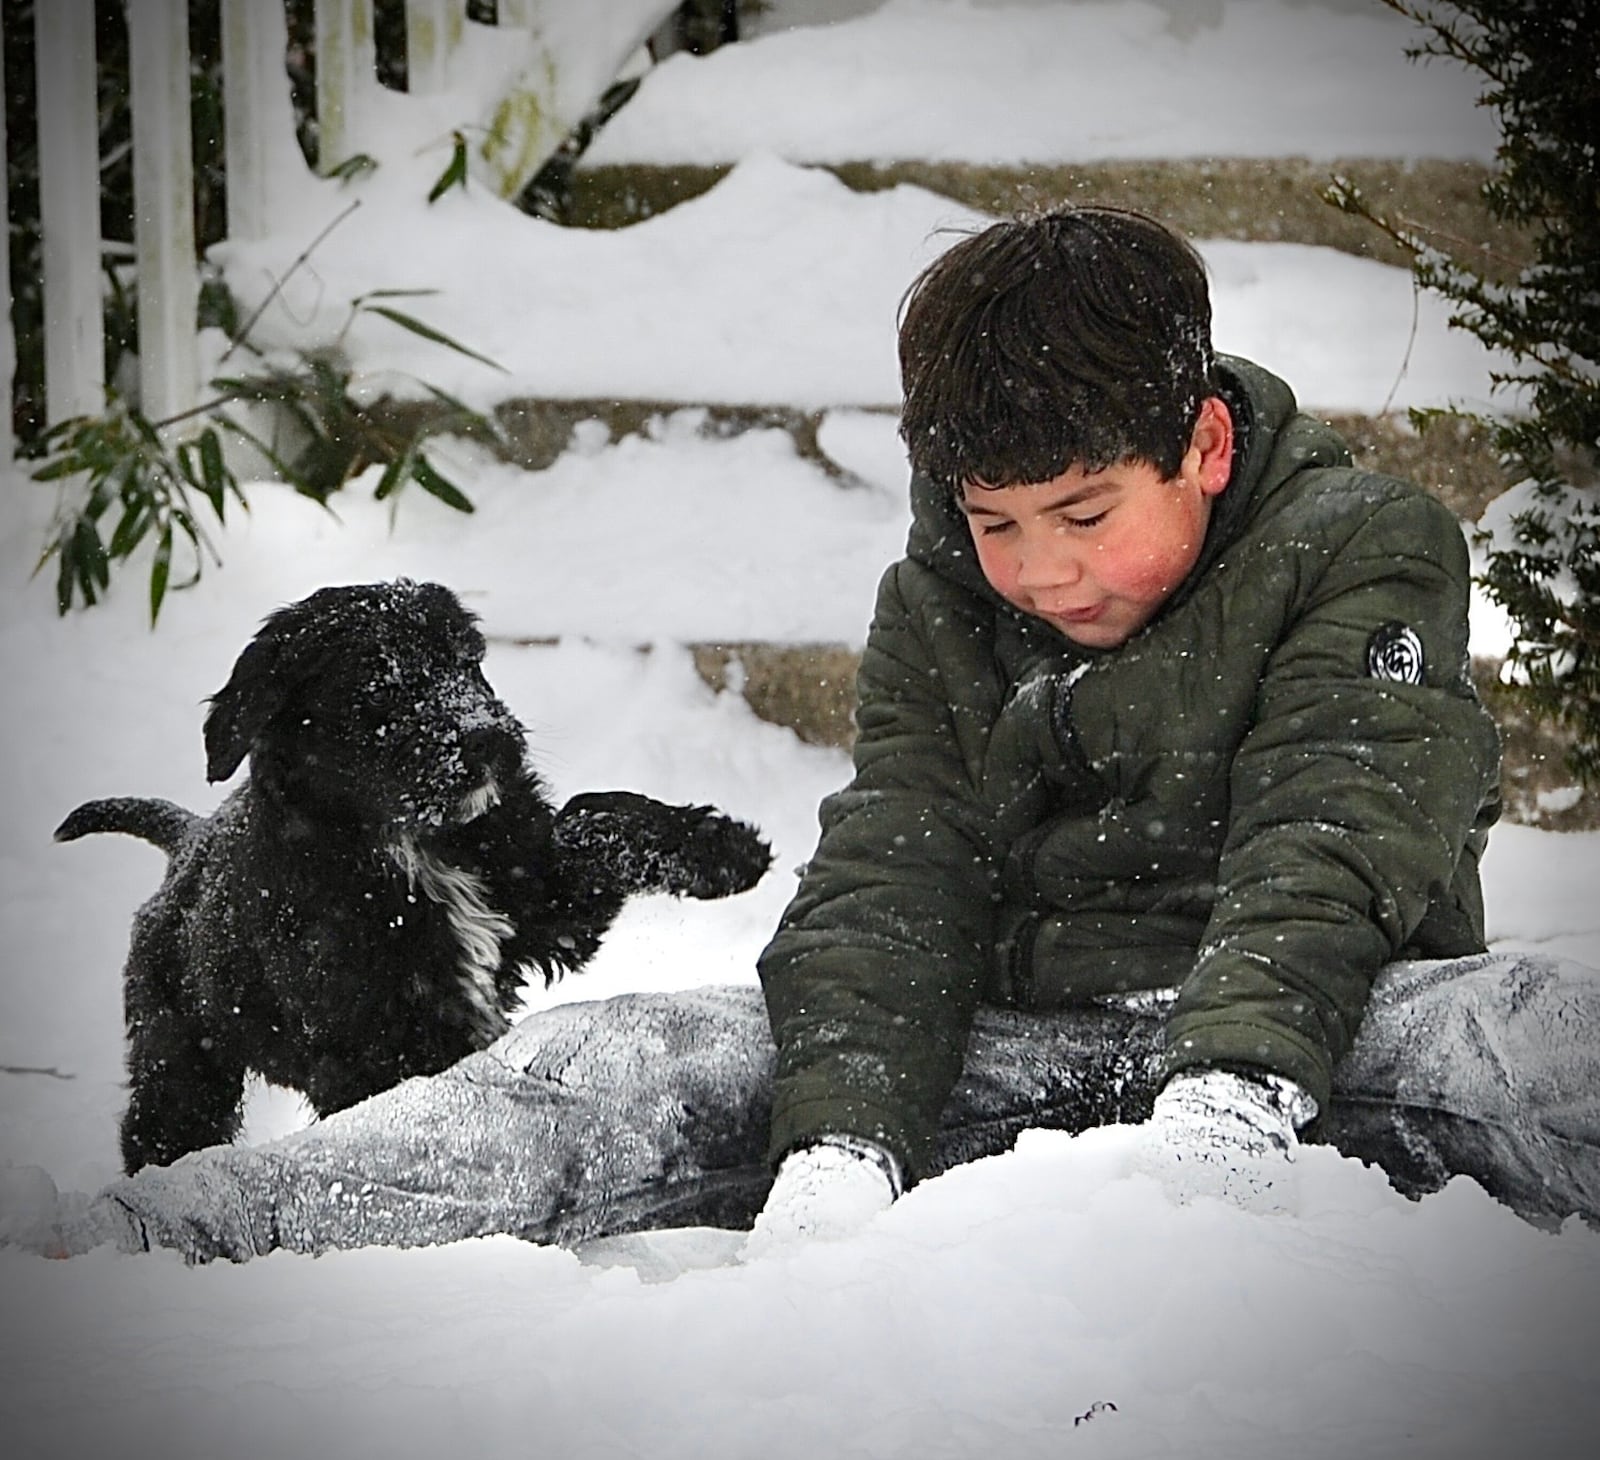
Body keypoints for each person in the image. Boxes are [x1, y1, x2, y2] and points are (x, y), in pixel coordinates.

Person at [18, 205, 1600, 1264]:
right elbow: (897, 864)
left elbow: (1336, 828)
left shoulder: (1366, 548)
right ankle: (165, 1244)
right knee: (612, 1056)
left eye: (1083, 515)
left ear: (1198, 442)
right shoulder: (941, 600)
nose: (1039, 571)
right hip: (1001, 1046)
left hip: (1330, 1043)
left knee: (1554, 1031)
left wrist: (1231, 1097)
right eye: (996, 522)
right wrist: (842, 1137)